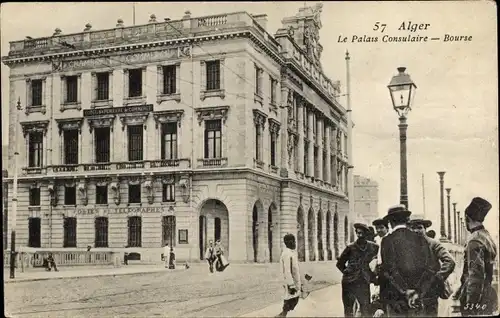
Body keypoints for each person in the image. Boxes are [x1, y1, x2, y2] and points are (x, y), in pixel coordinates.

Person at [379, 205, 435, 317]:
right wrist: (417, 291)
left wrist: (405, 290)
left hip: (395, 298)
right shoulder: (421, 239)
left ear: (390, 222)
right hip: (417, 298)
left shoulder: (387, 240)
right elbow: (430, 268)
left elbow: (389, 270)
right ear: (406, 220)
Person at [455, 197, 498, 316]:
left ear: (467, 218)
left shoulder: (474, 241)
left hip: (478, 299)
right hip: (488, 294)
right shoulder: (487, 237)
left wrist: (470, 304)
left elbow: (475, 276)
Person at [409, 218, 456, 316]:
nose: (416, 231)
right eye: (413, 228)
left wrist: (437, 277)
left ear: (425, 229)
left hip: (430, 290)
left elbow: (450, 261)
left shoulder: (433, 244)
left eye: (419, 228)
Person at [336, 223, 379, 317]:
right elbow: (339, 264)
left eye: (362, 233)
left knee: (366, 309)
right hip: (349, 283)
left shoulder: (374, 247)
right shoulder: (350, 248)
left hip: (363, 282)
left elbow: (378, 261)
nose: (359, 235)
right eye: (358, 233)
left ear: (366, 234)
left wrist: (371, 275)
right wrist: (347, 272)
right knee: (348, 309)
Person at [277, 233, 302, 317]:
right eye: (293, 241)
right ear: (287, 242)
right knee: (291, 297)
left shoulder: (291, 253)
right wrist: (291, 285)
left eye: (294, 241)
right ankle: (282, 314)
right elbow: (287, 270)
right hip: (290, 282)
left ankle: (283, 314)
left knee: (292, 298)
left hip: (294, 280)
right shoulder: (287, 254)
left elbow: (294, 268)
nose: (295, 243)